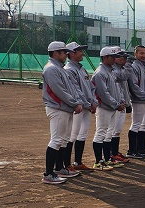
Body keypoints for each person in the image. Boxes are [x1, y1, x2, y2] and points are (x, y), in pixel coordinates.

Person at [41, 41, 85, 184]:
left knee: (64, 139)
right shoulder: (51, 69)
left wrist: (76, 102)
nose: (66, 54)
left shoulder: (59, 68)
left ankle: (59, 168)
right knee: (57, 140)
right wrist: (74, 103)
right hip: (57, 108)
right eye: (63, 52)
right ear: (55, 53)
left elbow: (70, 89)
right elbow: (59, 91)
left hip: (65, 108)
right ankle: (49, 173)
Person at [90, 46, 127, 170]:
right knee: (100, 133)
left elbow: (117, 90)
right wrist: (116, 104)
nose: (115, 59)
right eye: (113, 57)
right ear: (105, 57)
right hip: (104, 107)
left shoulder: (110, 71)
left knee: (108, 133)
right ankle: (98, 162)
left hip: (112, 107)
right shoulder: (100, 72)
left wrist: (120, 101)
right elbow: (103, 94)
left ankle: (106, 159)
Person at [63, 42, 96, 172]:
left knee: (82, 134)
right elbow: (76, 91)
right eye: (79, 51)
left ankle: (78, 162)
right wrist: (88, 104)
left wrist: (93, 102)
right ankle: (67, 164)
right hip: (78, 107)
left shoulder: (81, 68)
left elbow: (91, 88)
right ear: (71, 54)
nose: (82, 53)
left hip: (86, 106)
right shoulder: (69, 69)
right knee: (72, 135)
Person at [125, 45, 145, 158]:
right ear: (135, 54)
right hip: (139, 100)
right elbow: (133, 85)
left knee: (144, 125)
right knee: (136, 124)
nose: (144, 56)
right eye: (141, 53)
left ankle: (141, 148)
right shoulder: (134, 67)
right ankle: (131, 150)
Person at [111, 50, 133, 160]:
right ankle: (111, 153)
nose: (123, 59)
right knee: (112, 131)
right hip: (115, 104)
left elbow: (125, 89)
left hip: (122, 103)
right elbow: (123, 76)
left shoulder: (121, 69)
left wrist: (128, 103)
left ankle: (114, 152)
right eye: (121, 57)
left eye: (125, 58)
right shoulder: (113, 70)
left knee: (117, 130)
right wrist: (129, 64)